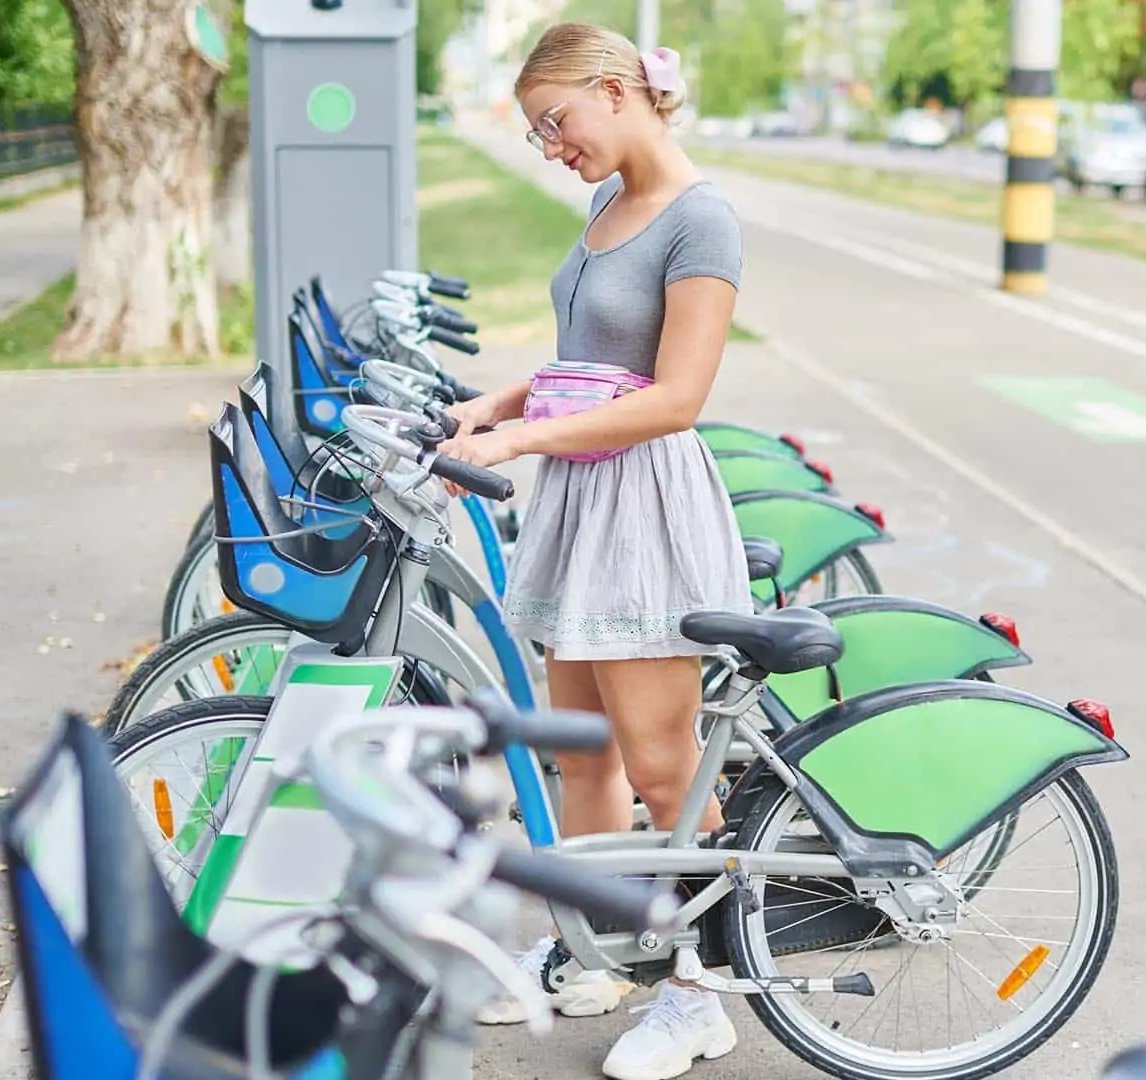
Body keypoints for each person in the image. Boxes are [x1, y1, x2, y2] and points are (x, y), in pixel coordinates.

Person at [435, 20, 751, 1080]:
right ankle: (597, 952)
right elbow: (588, 365)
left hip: (645, 507)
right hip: (583, 497)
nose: (551, 145)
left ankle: (700, 995)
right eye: (538, 133)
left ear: (617, 89)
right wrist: (498, 402)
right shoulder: (607, 205)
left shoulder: (701, 220)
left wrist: (519, 440)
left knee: (665, 769)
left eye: (555, 122)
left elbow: (674, 398)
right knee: (584, 753)